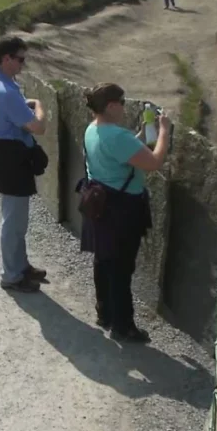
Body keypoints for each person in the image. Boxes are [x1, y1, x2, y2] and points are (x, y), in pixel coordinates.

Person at [79, 83, 171, 343]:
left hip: (100, 204)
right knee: (121, 267)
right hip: (123, 209)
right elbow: (153, 162)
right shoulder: (117, 136)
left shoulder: (93, 129)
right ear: (110, 106)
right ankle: (124, 325)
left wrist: (141, 134)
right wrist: (164, 131)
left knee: (103, 258)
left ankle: (104, 312)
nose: (124, 105)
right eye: (121, 101)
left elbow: (123, 151)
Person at [0, 36, 49, 293]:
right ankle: (11, 275)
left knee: (17, 219)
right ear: (7, 58)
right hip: (11, 159)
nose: (23, 64)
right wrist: (40, 106)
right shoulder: (6, 90)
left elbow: (15, 109)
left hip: (8, 156)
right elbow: (38, 127)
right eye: (20, 59)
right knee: (13, 221)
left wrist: (25, 105)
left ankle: (20, 266)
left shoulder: (1, 81)